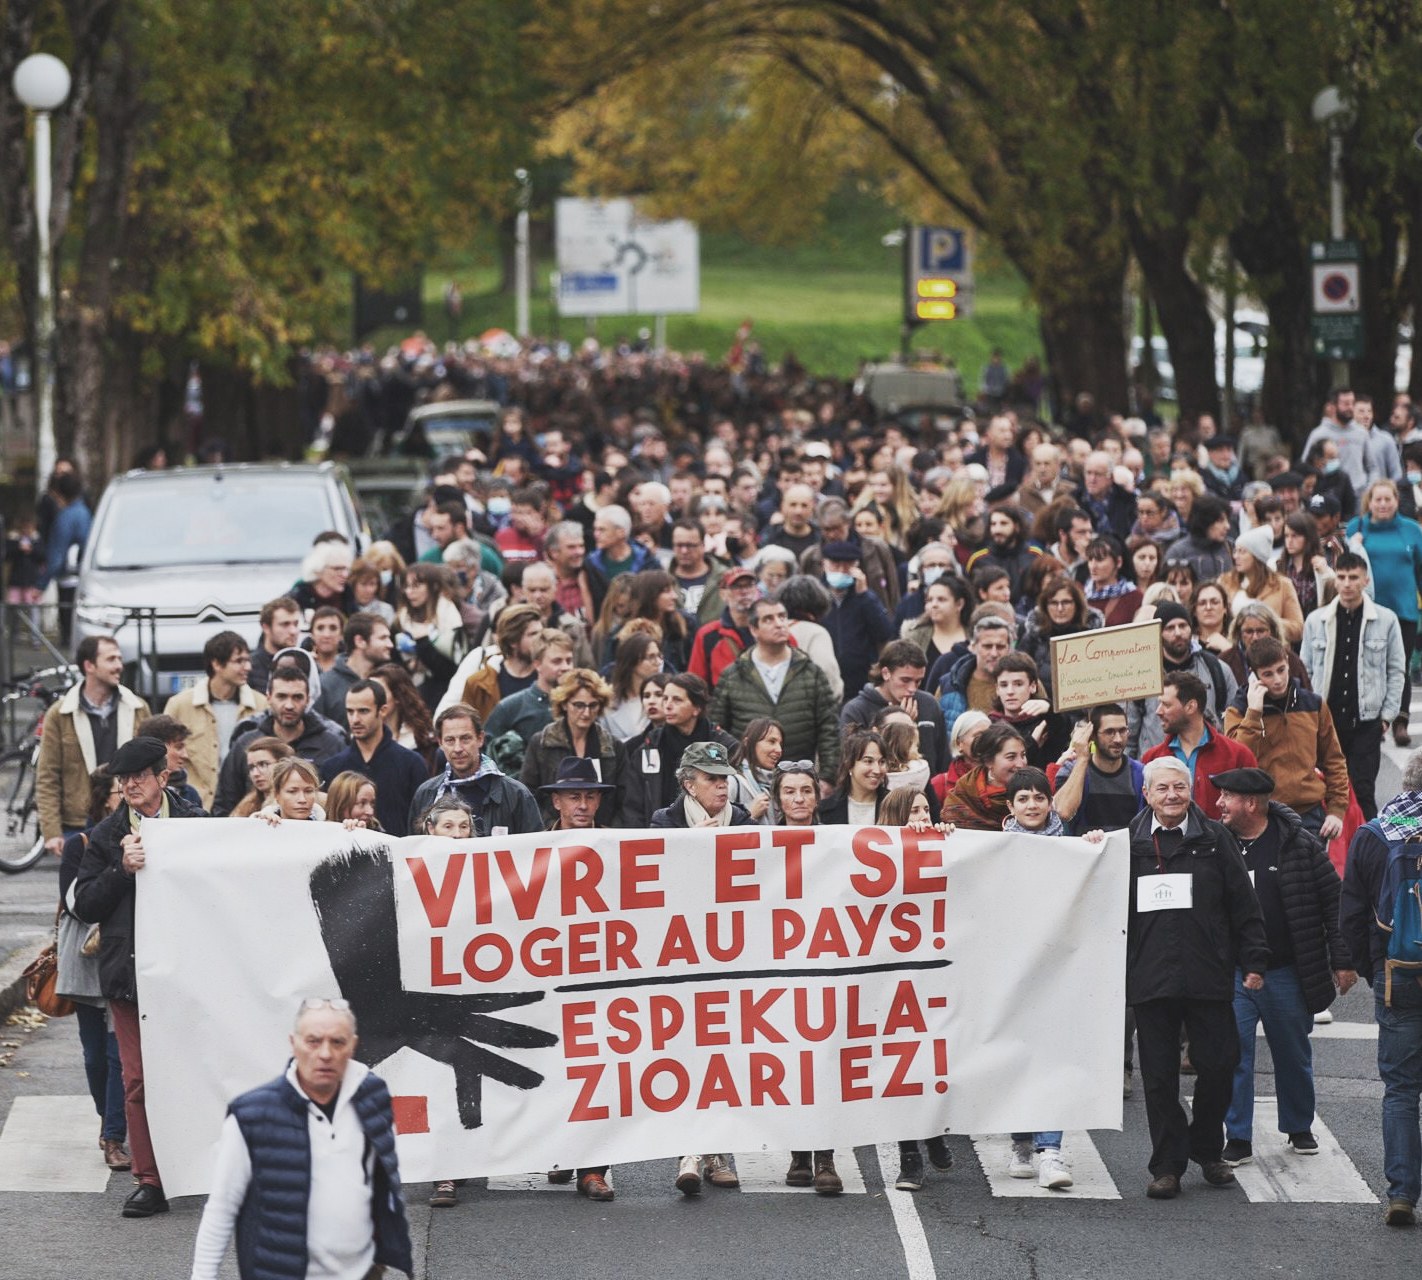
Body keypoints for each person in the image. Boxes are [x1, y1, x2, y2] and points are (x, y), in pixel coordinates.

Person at [73, 736, 206, 1218]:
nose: (128, 785)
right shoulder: (108, 834)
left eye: (138, 776)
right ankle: (150, 1179)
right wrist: (121, 869)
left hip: (187, 975)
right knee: (137, 1079)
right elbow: (84, 903)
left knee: (197, 1072)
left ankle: (200, 1166)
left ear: (162, 777)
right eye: (122, 778)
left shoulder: (195, 823)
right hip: (130, 977)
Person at [1126, 756, 1268, 1200]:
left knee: (1220, 1064)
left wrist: (1255, 962)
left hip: (1207, 972)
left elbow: (1243, 905)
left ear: (1191, 792)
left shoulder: (1215, 839)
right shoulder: (1127, 843)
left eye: (1180, 788)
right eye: (1162, 788)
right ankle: (1167, 1164)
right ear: (1146, 794)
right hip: (1150, 977)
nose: (1172, 796)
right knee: (1159, 1076)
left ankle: (1207, 1148)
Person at [188, 998, 413, 1279]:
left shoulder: (373, 1095)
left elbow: (382, 1179)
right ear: (294, 1044)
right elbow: (222, 1207)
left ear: (353, 1045)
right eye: (314, 1041)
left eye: (338, 1042)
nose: (326, 1053)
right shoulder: (253, 1116)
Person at [1211, 768, 1354, 1168]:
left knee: (1292, 1053)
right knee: (1234, 1054)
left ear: (1251, 803)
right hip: (1235, 972)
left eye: (1227, 797)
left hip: (1286, 970)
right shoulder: (1214, 843)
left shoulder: (1299, 845)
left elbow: (1333, 902)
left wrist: (1342, 961)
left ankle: (1298, 1125)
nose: (1219, 804)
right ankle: (1237, 1135)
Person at [647, 739, 747, 1194]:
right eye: (711, 779)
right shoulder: (663, 824)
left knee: (722, 1053)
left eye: (725, 777)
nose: (722, 786)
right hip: (681, 955)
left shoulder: (744, 822)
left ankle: (716, 1150)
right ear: (689, 784)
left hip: (731, 954)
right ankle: (690, 1151)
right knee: (686, 1052)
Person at [1000, 766, 1107, 1188]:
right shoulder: (994, 850)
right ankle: (1021, 1141)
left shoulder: (1070, 846)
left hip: (1059, 971)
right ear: (1010, 807)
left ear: (1050, 802)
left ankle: (1051, 1150)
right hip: (1010, 974)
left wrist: (1098, 849)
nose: (1032, 805)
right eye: (1022, 799)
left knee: (1053, 1057)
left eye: (1039, 798)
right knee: (1017, 1057)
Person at [1340, 752, 1422, 1226]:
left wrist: (1375, 970)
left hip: (1399, 972)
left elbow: (1352, 913)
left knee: (1401, 1089)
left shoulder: (1375, 834)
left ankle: (1402, 1193)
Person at [56, 768, 128, 1172]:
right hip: (87, 957)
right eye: (120, 790)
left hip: (124, 954)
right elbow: (74, 902)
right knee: (94, 1054)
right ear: (104, 798)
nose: (126, 796)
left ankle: (113, 1135)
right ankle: (107, 1119)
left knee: (119, 1051)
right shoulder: (79, 844)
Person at [1300, 551, 1406, 819]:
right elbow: (1305, 670)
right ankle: (1333, 856)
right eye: (1342, 577)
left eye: (1353, 577)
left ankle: (1369, 853)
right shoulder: (1316, 620)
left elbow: (1396, 670)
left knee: (1363, 791)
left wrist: (1387, 716)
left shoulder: (1386, 620)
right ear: (1335, 580)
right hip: (1326, 722)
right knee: (1327, 792)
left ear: (1365, 580)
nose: (1347, 583)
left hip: (1366, 722)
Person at [1221, 637, 1348, 839]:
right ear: (1254, 675)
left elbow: (1334, 760)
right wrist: (1254, 712)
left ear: (1289, 664)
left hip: (1310, 813)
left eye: (1281, 670)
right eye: (1268, 674)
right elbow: (1238, 760)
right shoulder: (1239, 710)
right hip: (1262, 814)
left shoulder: (1313, 704)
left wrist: (1336, 811)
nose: (1278, 680)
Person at [37, 634, 151, 855]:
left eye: (119, 659)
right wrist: (51, 831)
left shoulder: (138, 708)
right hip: (78, 824)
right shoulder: (60, 714)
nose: (119, 666)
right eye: (111, 659)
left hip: (130, 820)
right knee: (79, 888)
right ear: (89, 665)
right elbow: (47, 776)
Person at [710, 597, 840, 783]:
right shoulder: (733, 675)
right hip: (747, 781)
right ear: (754, 629)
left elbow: (829, 729)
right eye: (768, 619)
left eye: (782, 617)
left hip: (799, 778)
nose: (779, 624)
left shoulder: (811, 672)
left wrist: (828, 777)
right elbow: (717, 730)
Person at [213, 663, 346, 816]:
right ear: (268, 697)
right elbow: (224, 803)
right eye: (281, 696)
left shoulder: (331, 744)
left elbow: (343, 802)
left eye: (297, 697)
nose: (289, 705)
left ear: (308, 700)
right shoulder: (246, 744)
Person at [1346, 480, 1422, 744]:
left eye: (1387, 499)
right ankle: (1375, 721)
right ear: (1370, 502)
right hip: (1367, 610)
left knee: (1399, 667)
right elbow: (1346, 566)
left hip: (1404, 610)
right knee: (1369, 665)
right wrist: (1353, 544)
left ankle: (1400, 721)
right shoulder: (1358, 528)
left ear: (1396, 501)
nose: (1383, 504)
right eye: (1377, 500)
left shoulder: (1412, 531)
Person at [164, 630, 267, 808]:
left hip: (244, 807)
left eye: (248, 660)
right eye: (239, 661)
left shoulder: (261, 704)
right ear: (217, 664)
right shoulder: (180, 705)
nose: (248, 667)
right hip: (194, 807)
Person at [408, 704, 542, 836]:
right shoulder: (426, 794)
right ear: (440, 743)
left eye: (465, 739)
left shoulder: (515, 794)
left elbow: (536, 850)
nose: (458, 748)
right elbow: (414, 851)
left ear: (480, 739)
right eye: (450, 740)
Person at [317, 681, 429, 836]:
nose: (355, 719)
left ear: (382, 710)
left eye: (363, 711)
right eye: (350, 711)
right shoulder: (332, 767)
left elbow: (422, 821)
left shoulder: (411, 763)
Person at [1125, 603, 1237, 757]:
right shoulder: (1142, 673)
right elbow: (1128, 732)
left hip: (1209, 762)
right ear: (1158, 633)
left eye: (1183, 625)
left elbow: (1235, 721)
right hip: (1157, 766)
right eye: (1170, 628)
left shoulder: (1216, 669)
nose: (1178, 633)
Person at [622, 673, 735, 827]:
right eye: (665, 698)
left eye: (677, 700)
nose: (667, 705)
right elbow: (632, 805)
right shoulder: (651, 746)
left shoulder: (724, 745)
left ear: (696, 708)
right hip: (659, 836)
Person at [1141, 671, 1258, 818]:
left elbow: (1253, 809)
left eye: (1166, 705)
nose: (1158, 711)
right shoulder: (1152, 759)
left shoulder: (1237, 755)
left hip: (1223, 840)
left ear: (1191, 707)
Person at [521, 669, 625, 824]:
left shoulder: (613, 746)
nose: (586, 712)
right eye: (579, 705)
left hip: (603, 836)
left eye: (593, 705)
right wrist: (552, 828)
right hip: (554, 834)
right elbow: (528, 795)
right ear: (564, 704)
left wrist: (609, 833)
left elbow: (625, 797)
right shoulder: (542, 743)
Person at [840, 640, 948, 778]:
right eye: (905, 680)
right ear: (886, 673)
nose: (912, 689)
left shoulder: (929, 704)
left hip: (926, 792)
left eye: (918, 681)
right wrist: (900, 731)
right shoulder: (856, 710)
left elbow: (943, 760)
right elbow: (851, 765)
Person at [1051, 704, 1146, 835]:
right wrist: (1083, 759)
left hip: (1128, 852)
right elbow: (1063, 811)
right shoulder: (1071, 769)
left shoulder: (1140, 774)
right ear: (1092, 735)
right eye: (1109, 732)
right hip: (1085, 851)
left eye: (1122, 731)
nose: (1118, 739)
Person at [438, 601, 543, 719]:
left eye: (541, 633)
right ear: (513, 641)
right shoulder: (479, 683)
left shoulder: (550, 677)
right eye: (533, 634)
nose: (541, 639)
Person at [483, 629, 576, 744]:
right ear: (537, 664)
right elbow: (486, 754)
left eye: (569, 661)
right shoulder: (510, 708)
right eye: (557, 661)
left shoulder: (583, 705)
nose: (565, 667)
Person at [1219, 525, 1304, 646]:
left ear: (1257, 556)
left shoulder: (1282, 585)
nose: (1235, 556)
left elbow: (1298, 629)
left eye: (1242, 551)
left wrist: (1266, 622)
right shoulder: (1225, 581)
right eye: (1235, 551)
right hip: (1234, 651)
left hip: (1271, 653)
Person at [939, 721, 1031, 830]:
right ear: (989, 761)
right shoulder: (964, 791)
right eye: (1011, 757)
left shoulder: (1034, 788)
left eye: (1023, 755)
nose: (1021, 764)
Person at [314, 612, 395, 731]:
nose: (390, 645)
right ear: (360, 641)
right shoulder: (324, 685)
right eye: (383, 638)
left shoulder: (390, 680)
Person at [933, 613, 1016, 723]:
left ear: (1009, 649)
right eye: (987, 646)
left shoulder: (1026, 682)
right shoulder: (950, 684)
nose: (994, 653)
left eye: (1000, 647)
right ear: (973, 647)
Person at [687, 565, 762, 685]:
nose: (744, 592)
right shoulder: (708, 634)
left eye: (749, 585)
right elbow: (696, 682)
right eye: (736, 587)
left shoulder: (771, 628)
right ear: (723, 594)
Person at [603, 629, 665, 741]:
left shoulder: (667, 696)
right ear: (632, 661)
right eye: (651, 657)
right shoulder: (608, 701)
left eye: (659, 656)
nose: (657, 662)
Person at [901, 575, 970, 670]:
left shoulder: (974, 635)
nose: (934, 605)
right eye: (929, 600)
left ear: (959, 604)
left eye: (941, 600)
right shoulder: (915, 637)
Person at [248, 595, 303, 696]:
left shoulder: (306, 663)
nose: (293, 631)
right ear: (266, 628)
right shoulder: (248, 668)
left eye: (295, 624)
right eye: (285, 624)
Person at [229, 737, 294, 817]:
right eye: (251, 767)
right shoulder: (246, 807)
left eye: (263, 764)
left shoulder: (297, 805)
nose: (255, 773)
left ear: (282, 764)